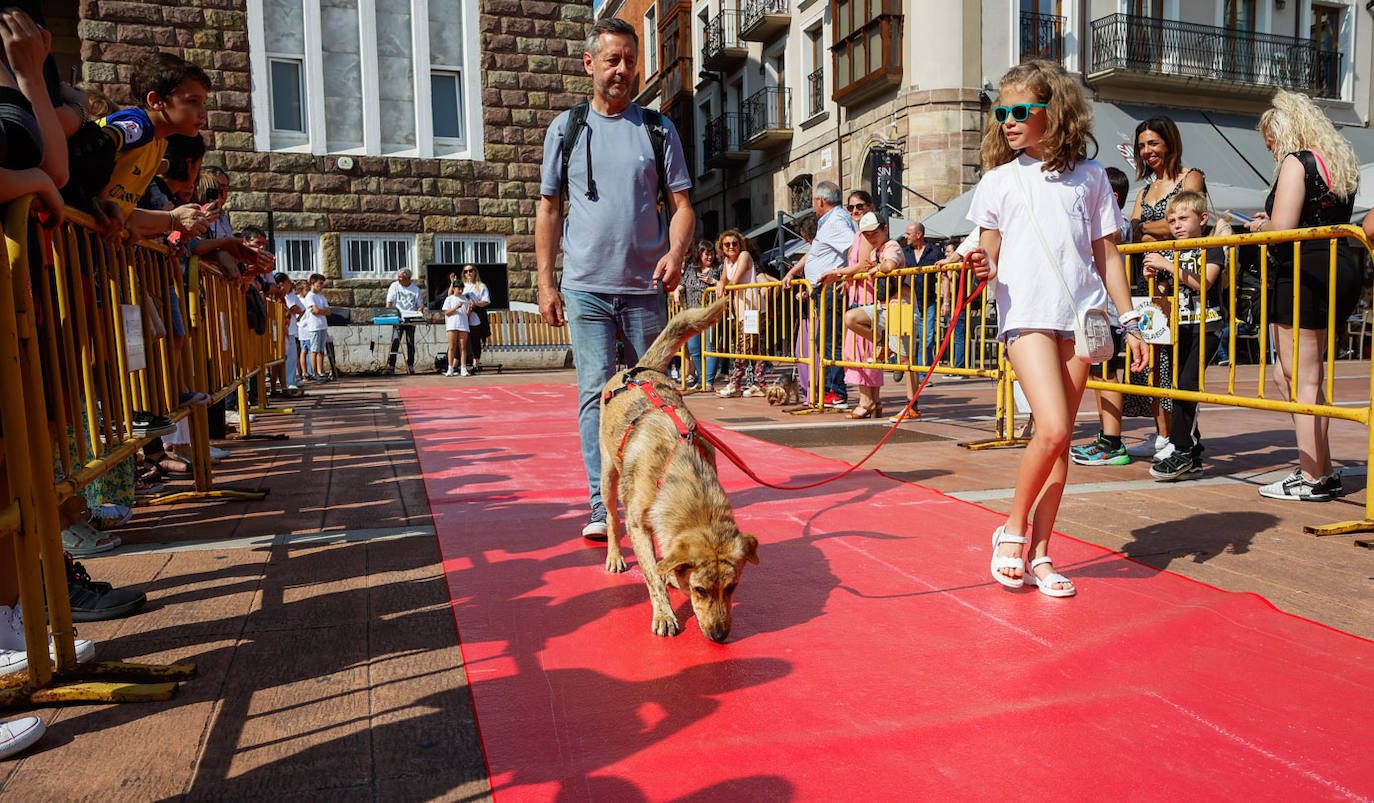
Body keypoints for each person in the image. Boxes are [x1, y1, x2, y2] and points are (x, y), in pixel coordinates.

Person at [966, 59, 1147, 598]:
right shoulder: (999, 181)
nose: (1008, 121)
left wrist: (1130, 318)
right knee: (1051, 427)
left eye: (1021, 111)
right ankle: (1012, 532)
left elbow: (1108, 256)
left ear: (1056, 112)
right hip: (1024, 316)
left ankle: (1042, 555)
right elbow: (990, 255)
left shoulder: (1091, 178)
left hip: (1081, 315)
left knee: (1061, 442)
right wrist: (981, 266)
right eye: (1002, 113)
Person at [535, 17, 694, 540]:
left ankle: (659, 496)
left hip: (646, 289)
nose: (622, 70)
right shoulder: (566, 128)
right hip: (585, 289)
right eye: (612, 60)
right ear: (590, 64)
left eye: (630, 60)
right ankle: (601, 505)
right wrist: (546, 282)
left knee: (656, 395)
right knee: (593, 396)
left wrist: (675, 251)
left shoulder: (657, 127)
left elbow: (681, 205)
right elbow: (550, 210)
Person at [1245, 90, 1360, 501]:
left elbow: (1283, 229)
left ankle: (1313, 476)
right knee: (1298, 375)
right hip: (1339, 264)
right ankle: (1320, 468)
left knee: (1300, 377)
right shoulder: (1339, 162)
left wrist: (1260, 228)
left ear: (1284, 132)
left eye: (1271, 142)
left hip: (1304, 269)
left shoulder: (1298, 162)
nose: (1272, 151)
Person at [1126, 116, 1204, 461]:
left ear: (1169, 143)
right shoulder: (1144, 189)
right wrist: (1147, 229)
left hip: (1180, 277)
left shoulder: (1190, 177)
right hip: (1148, 278)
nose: (1147, 151)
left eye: (1153, 143)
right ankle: (1161, 434)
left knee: (1176, 359)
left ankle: (1181, 435)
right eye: (1142, 145)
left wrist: (1147, 227)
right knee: (1155, 356)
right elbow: (1132, 231)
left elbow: (1184, 219)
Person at [1143, 191, 1225, 481]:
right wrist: (1155, 278)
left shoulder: (1212, 247)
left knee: (1187, 386)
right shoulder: (1172, 252)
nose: (1176, 225)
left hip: (1207, 326)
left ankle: (1182, 450)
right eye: (1172, 220)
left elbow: (1204, 283)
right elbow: (1165, 292)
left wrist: (1168, 267)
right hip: (1180, 328)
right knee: (1178, 387)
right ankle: (1193, 453)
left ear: (1202, 219)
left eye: (1183, 218)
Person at [1071, 165, 1135, 466]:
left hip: (1106, 312)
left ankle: (1113, 441)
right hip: (1094, 312)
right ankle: (1105, 436)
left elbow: (1110, 244)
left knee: (1107, 374)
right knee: (1098, 375)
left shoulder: (1115, 224)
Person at [842, 211, 904, 419]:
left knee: (906, 361)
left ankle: (873, 401)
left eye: (874, 233)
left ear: (884, 229)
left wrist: (875, 267)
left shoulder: (891, 246)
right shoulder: (875, 249)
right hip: (881, 304)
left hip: (895, 306)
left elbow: (888, 266)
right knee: (865, 348)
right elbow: (868, 266)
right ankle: (874, 401)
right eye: (866, 235)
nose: (870, 237)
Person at [803, 180, 856, 409]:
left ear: (820, 201)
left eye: (813, 200)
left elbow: (853, 247)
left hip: (831, 290)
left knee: (831, 341)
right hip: (824, 289)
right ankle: (828, 389)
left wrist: (843, 274)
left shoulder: (835, 221)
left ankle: (836, 391)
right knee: (824, 341)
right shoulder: (831, 221)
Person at [715, 229, 769, 398]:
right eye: (727, 244)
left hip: (752, 309)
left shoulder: (744, 256)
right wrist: (720, 283)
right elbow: (725, 278)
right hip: (742, 310)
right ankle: (759, 383)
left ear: (740, 244)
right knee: (753, 348)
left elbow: (734, 281)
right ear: (722, 247)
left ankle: (735, 383)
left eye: (734, 243)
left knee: (744, 346)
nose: (731, 246)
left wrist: (723, 285)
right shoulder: (727, 261)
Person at [672, 240, 722, 390]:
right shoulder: (691, 269)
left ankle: (709, 382)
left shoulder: (717, 269)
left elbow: (723, 285)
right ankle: (701, 379)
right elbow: (683, 284)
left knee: (710, 347)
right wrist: (677, 291)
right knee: (694, 348)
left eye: (712, 253)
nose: (710, 257)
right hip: (693, 315)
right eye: (707, 253)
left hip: (710, 315)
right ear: (700, 254)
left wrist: (712, 281)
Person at [385, 268, 423, 374]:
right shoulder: (394, 286)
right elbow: (389, 302)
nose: (399, 279)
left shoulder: (415, 289)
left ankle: (410, 365)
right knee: (395, 341)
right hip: (398, 319)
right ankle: (392, 365)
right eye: (398, 277)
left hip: (410, 319)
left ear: (408, 278)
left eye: (401, 277)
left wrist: (418, 315)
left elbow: (420, 306)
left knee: (410, 342)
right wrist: (389, 314)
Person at [461, 265, 492, 373]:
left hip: (475, 317)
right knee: (461, 342)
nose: (468, 273)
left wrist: (476, 304)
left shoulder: (481, 286)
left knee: (475, 341)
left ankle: (475, 364)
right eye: (466, 272)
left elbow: (486, 301)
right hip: (463, 317)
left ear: (475, 272)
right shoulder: (462, 286)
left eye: (470, 271)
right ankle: (460, 365)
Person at [301, 273, 331, 382]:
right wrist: (321, 311)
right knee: (314, 350)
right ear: (313, 283)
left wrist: (320, 311)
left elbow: (327, 311)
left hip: (323, 325)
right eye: (320, 284)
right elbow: (315, 310)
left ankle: (321, 371)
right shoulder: (310, 296)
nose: (321, 286)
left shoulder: (321, 297)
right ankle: (314, 372)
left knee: (321, 351)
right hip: (314, 326)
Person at [442, 281, 472, 376]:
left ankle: (463, 368)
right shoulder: (449, 299)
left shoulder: (465, 299)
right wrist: (456, 307)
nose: (460, 291)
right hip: (452, 325)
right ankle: (450, 368)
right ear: (454, 288)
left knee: (463, 347)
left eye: (461, 289)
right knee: (452, 347)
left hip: (463, 325)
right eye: (458, 288)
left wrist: (469, 309)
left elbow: (466, 315)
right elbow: (446, 312)